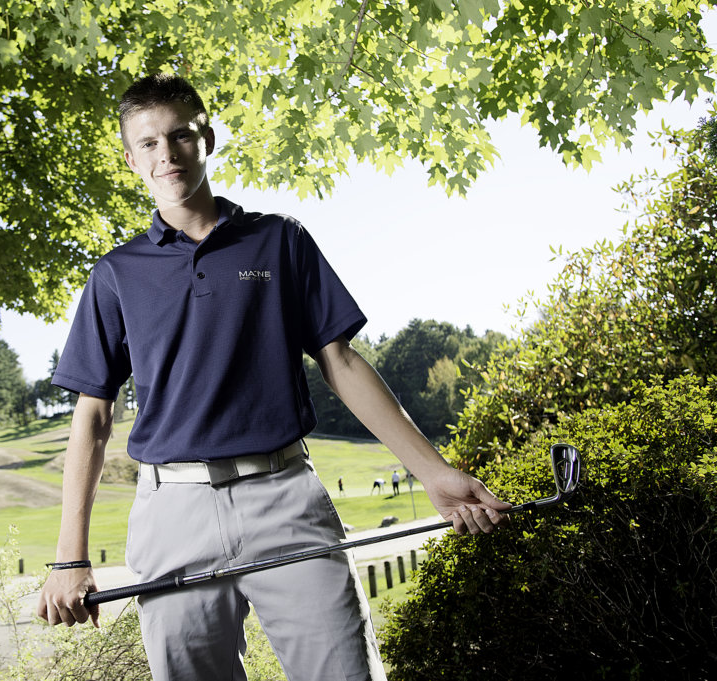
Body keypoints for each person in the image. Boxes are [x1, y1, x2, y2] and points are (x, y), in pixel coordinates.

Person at [35, 73, 510, 681]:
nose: (167, 153)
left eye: (181, 135)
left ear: (207, 138)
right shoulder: (115, 274)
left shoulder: (279, 240)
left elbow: (341, 362)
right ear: (131, 159)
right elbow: (93, 417)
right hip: (171, 514)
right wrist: (69, 558)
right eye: (148, 143)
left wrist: (435, 474)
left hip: (285, 497)